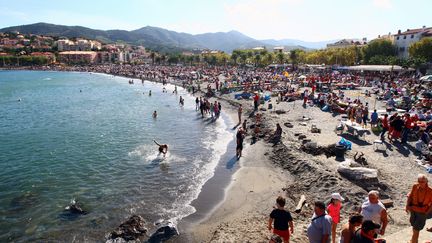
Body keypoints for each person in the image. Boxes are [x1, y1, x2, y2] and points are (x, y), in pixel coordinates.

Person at [406, 174, 432, 243]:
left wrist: (427, 212)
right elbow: (410, 196)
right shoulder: (415, 186)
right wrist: (407, 206)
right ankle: (413, 240)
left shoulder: (430, 191)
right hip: (413, 210)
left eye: (422, 182)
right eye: (419, 181)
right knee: (413, 225)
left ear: (426, 181)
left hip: (422, 212)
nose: (420, 183)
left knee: (416, 229)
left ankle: (414, 241)